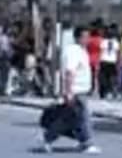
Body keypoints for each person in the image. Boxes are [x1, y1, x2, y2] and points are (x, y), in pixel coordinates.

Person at [37, 26, 100, 154]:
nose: (87, 39)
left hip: (81, 89)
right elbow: (69, 72)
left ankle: (48, 137)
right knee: (83, 117)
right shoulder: (73, 51)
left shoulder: (82, 51)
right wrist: (69, 91)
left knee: (69, 119)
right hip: (76, 90)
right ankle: (86, 143)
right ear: (77, 38)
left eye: (88, 37)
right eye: (84, 37)